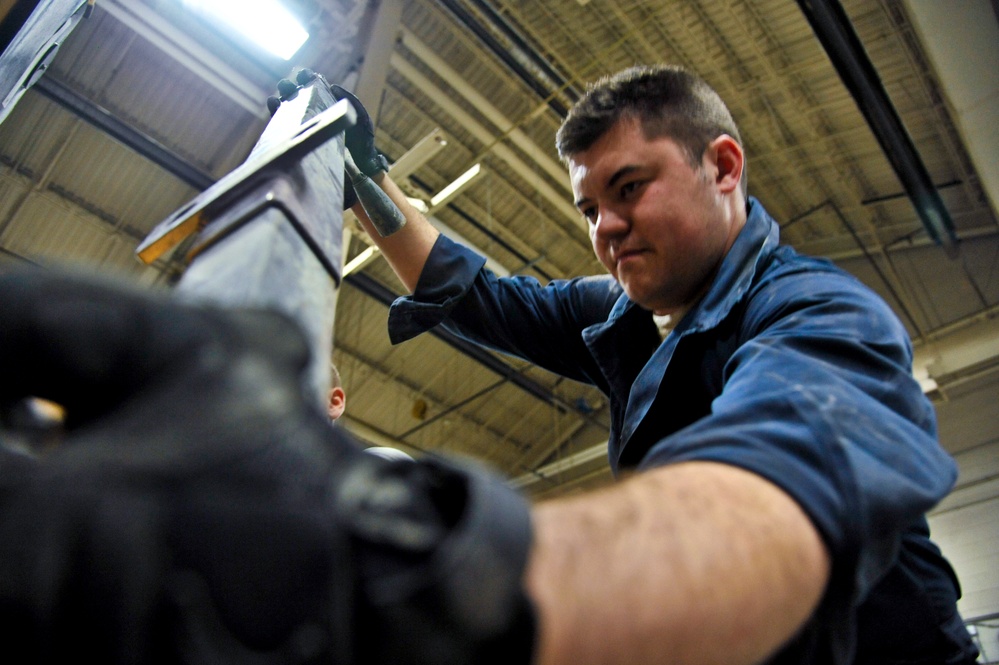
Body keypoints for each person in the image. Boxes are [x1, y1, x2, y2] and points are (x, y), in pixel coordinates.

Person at [344, 64, 978, 664]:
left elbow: (760, 507)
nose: (607, 229)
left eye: (629, 188)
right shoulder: (621, 318)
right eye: (589, 209)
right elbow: (483, 298)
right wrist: (364, 180)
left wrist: (450, 583)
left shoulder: (817, 314)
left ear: (724, 167)